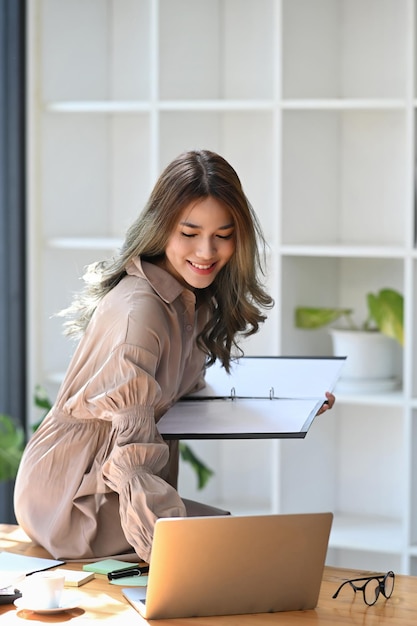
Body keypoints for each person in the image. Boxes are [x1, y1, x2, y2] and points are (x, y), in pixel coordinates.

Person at [14, 149, 335, 562]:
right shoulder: (140, 315)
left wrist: (296, 407)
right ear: (160, 229)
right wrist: (170, 558)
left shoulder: (189, 300)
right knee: (234, 551)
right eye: (189, 233)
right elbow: (130, 462)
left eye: (223, 235)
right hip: (72, 500)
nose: (207, 251)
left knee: (239, 548)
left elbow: (185, 397)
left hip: (104, 483)